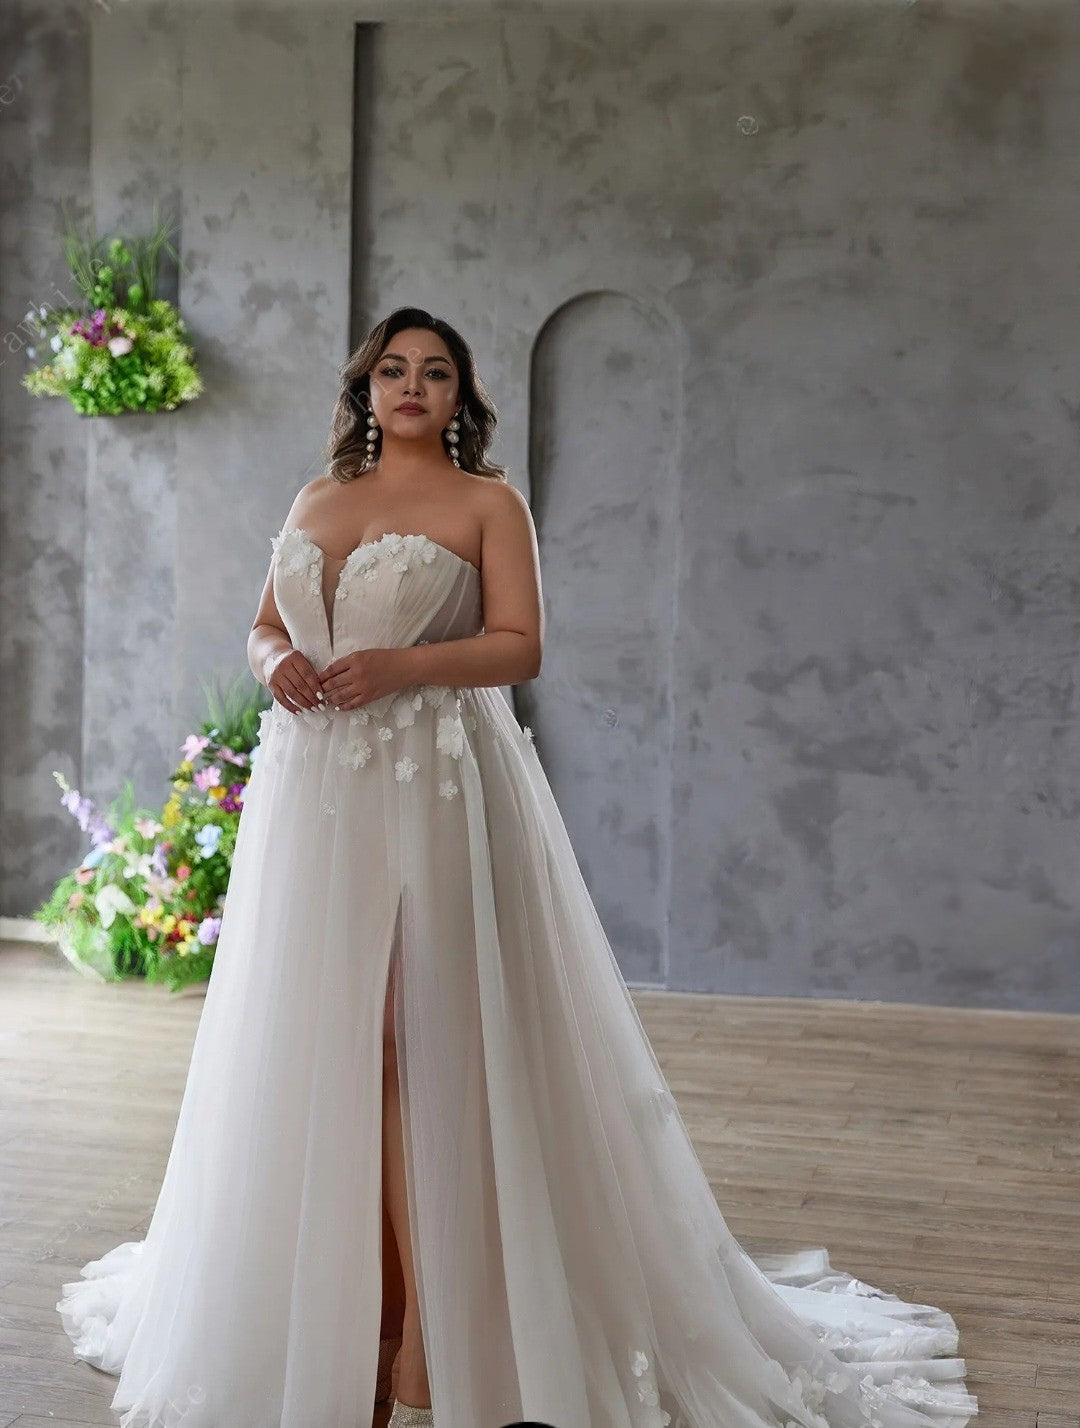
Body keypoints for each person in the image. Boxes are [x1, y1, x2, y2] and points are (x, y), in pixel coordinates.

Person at [57, 307, 978, 1428]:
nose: (411, 387)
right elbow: (259, 623)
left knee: (420, 1027)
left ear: (460, 396)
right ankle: (354, 1307)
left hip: (433, 789)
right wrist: (280, 659)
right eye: (392, 370)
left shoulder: (489, 501)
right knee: (327, 1035)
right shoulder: (317, 498)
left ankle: (435, 1336)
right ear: (364, 390)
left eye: (435, 373)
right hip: (315, 800)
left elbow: (519, 644)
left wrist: (399, 665)